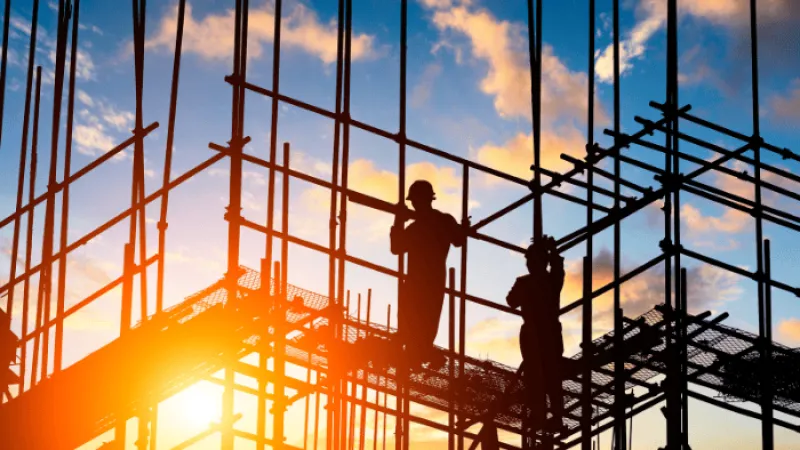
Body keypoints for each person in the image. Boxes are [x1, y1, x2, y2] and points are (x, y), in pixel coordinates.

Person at [390, 180, 468, 367]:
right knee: (423, 323)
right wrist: (463, 228)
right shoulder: (443, 221)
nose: (415, 206)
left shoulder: (419, 227)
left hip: (419, 284)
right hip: (431, 283)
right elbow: (459, 240)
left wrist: (398, 219)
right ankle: (417, 354)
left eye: (415, 202)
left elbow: (396, 247)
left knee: (417, 324)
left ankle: (415, 355)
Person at [506, 235, 566, 433]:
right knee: (535, 375)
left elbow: (558, 268)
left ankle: (554, 416)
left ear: (542, 262)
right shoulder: (527, 282)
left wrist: (553, 251)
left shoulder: (550, 280)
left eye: (533, 261)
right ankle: (539, 414)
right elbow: (511, 300)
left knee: (551, 375)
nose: (530, 265)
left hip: (546, 331)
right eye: (528, 261)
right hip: (533, 332)